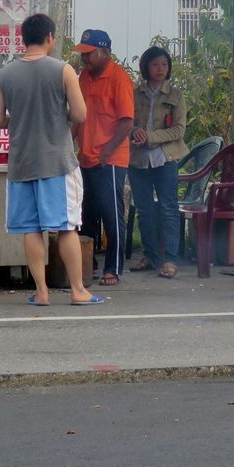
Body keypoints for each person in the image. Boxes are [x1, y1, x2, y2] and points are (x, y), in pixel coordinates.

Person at [0, 13, 101, 306]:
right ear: (50, 38)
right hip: (56, 162)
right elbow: (79, 114)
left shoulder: (5, 75)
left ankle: (41, 292)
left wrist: (21, 116)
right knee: (66, 227)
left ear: (23, 40)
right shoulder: (63, 70)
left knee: (30, 228)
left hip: (22, 163)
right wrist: (55, 114)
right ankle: (78, 290)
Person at [73, 29, 135, 287]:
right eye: (82, 54)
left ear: (105, 53)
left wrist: (107, 151)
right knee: (85, 215)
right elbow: (77, 115)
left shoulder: (119, 78)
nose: (84, 59)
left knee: (112, 215)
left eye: (89, 54)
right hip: (85, 156)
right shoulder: (83, 77)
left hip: (110, 159)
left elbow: (127, 122)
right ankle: (89, 263)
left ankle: (114, 268)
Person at [127, 46, 188, 279]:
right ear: (146, 67)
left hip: (165, 159)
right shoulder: (135, 94)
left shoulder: (175, 95)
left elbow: (178, 130)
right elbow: (125, 122)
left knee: (168, 208)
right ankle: (151, 256)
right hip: (138, 160)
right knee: (144, 210)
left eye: (164, 64)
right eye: (155, 64)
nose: (160, 69)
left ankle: (170, 258)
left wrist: (150, 137)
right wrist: (134, 132)